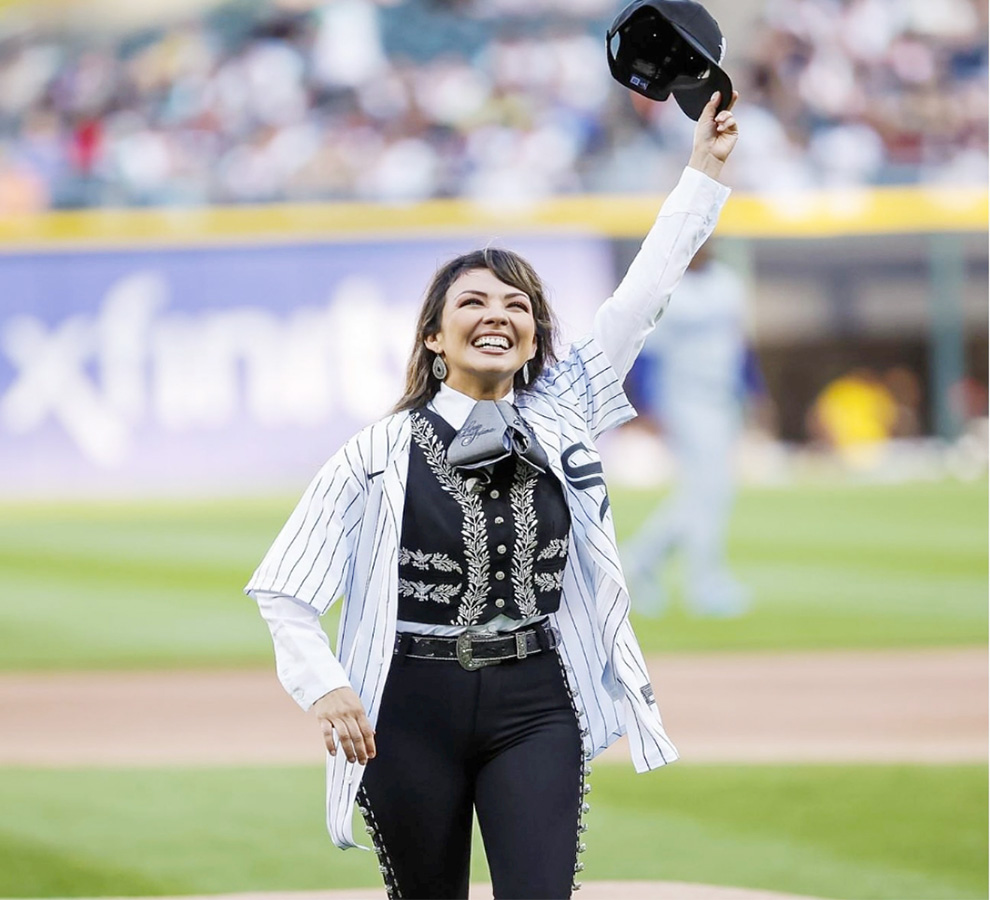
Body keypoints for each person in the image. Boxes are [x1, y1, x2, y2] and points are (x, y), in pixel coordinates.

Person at [245, 91, 738, 900]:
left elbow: (646, 290)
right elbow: (284, 590)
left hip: (537, 699)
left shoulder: (566, 410)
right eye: (472, 301)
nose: (498, 314)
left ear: (536, 335)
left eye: (518, 305)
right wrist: (326, 684)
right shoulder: (377, 451)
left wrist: (705, 170)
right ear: (434, 337)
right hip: (406, 707)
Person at [621, 241, 755, 617]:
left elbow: (741, 345)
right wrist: (646, 407)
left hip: (722, 394)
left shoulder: (729, 284)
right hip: (684, 397)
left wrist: (755, 393)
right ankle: (704, 583)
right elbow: (647, 354)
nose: (705, 250)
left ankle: (638, 560)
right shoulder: (670, 291)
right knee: (709, 490)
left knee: (708, 491)